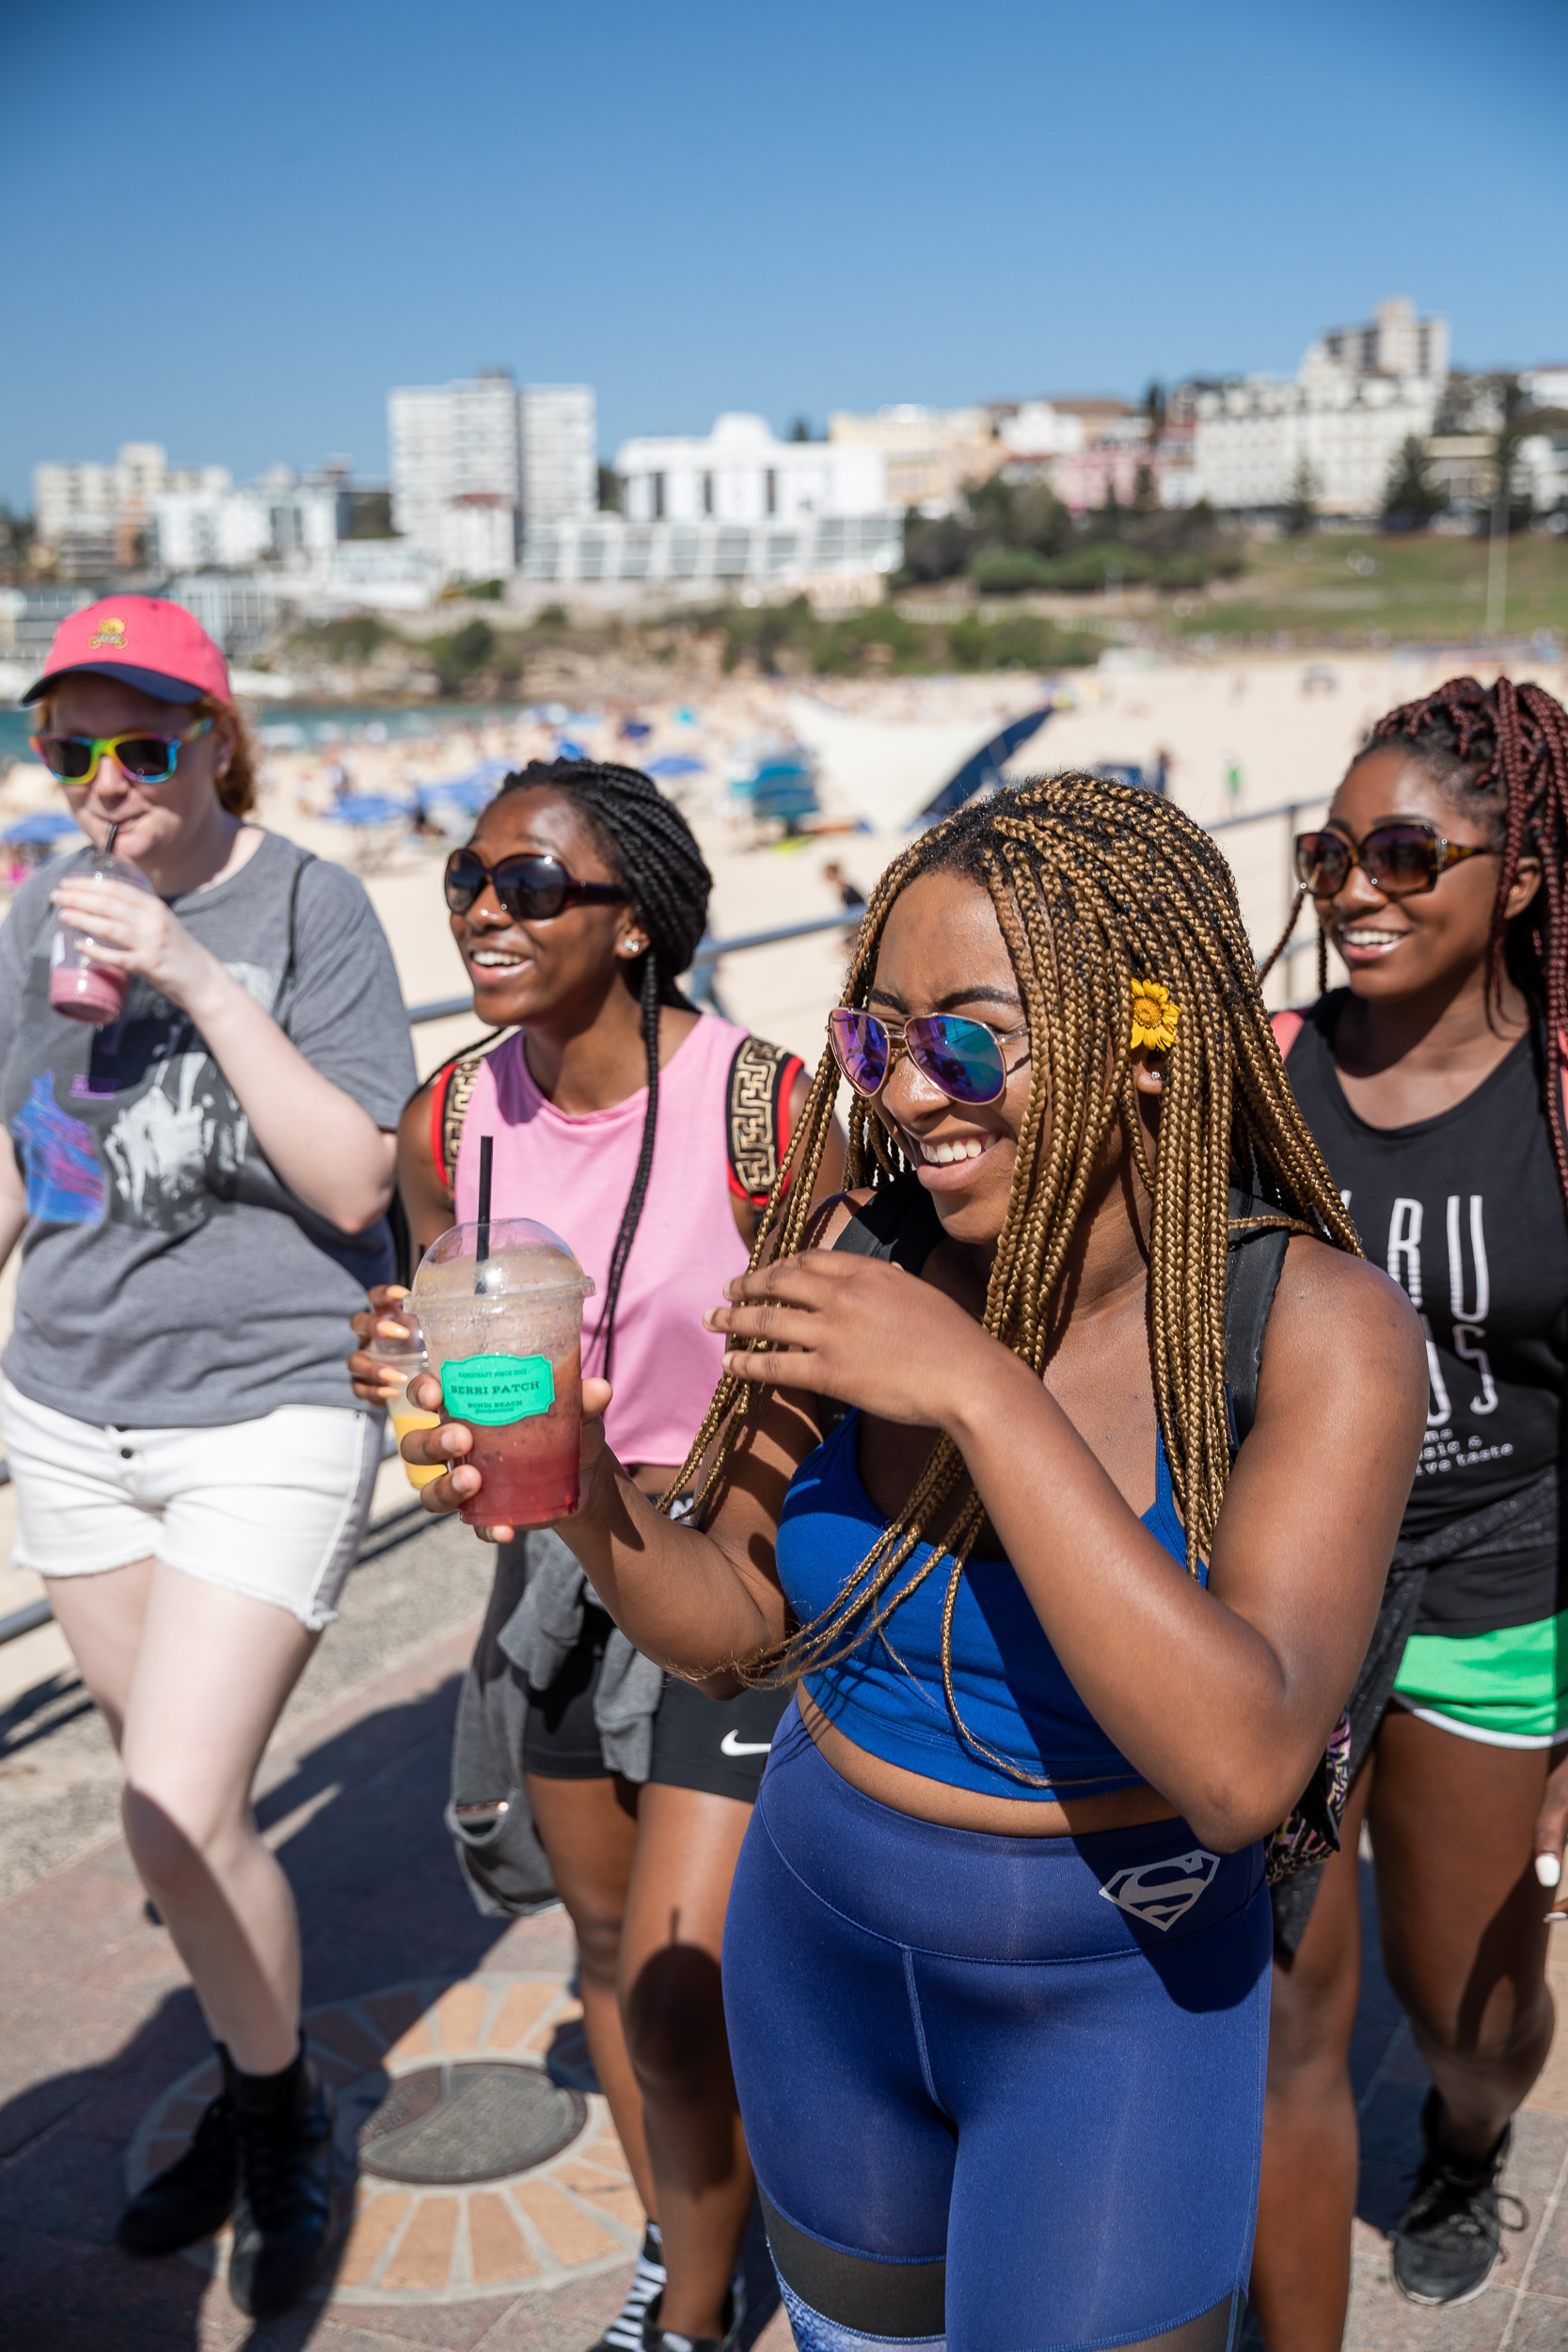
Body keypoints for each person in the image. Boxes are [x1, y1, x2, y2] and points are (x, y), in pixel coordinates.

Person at [404, 773, 1427, 2352]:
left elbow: (1239, 1768)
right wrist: (579, 1488)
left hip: (1119, 2000)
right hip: (818, 1952)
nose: (905, 1095)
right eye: (873, 1040)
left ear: (1141, 1036)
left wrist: (975, 1387)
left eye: (962, 1039)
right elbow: (732, 1622)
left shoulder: (1312, 1328)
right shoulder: (864, 1249)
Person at [351, 756, 843, 2352]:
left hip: (731, 1556)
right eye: (469, 883)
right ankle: (682, 2243)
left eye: (533, 887)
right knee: (613, 1951)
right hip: (542, 1569)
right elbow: (446, 1361)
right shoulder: (445, 1117)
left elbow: (844, 1358)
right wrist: (403, 1374)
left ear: (636, 926)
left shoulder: (765, 1110)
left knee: (688, 1989)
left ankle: (703, 2302)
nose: (487, 911)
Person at [0, 596, 416, 2317]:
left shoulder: (313, 907)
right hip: (70, 1413)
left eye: (142, 745)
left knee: (170, 1812)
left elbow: (353, 1183)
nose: (107, 783)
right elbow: (23, 1162)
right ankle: (267, 2100)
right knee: (185, 1813)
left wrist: (184, 967)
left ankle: (282, 2124)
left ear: (216, 741)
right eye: (69, 749)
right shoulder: (33, 916)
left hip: (270, 1409)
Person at [1249, 675, 1568, 2338]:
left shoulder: (1560, 1100)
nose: (1357, 889)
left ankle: (1466, 2137)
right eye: (1328, 855)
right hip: (1295, 1580)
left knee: (1465, 2013)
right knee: (1290, 2011)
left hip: (1499, 1577)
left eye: (1403, 853)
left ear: (1515, 876)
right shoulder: (1271, 1069)